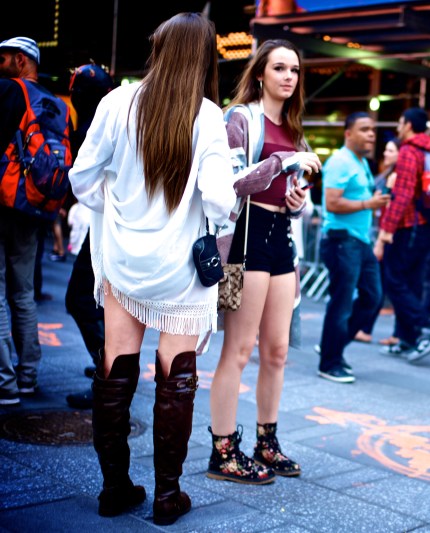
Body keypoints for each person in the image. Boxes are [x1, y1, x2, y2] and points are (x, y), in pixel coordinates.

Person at [68, 13, 237, 524]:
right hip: (180, 268)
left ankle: (113, 489)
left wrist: (115, 205)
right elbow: (219, 198)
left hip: (123, 259)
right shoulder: (206, 115)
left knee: (115, 370)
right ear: (204, 57)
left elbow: (81, 178)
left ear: (158, 48)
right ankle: (167, 496)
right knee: (175, 377)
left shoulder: (116, 102)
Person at [207, 39, 320, 485]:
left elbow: (297, 202)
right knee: (238, 351)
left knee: (276, 352)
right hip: (244, 240)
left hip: (280, 240)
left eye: (294, 69)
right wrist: (283, 161)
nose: (289, 76)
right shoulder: (240, 119)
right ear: (260, 73)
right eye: (279, 68)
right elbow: (232, 183)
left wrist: (297, 200)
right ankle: (223, 450)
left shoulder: (294, 126)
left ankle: (265, 443)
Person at [0, 36, 56, 405]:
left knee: (0, 294)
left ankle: (3, 383)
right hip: (35, 204)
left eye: (3, 58)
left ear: (21, 61)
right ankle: (27, 377)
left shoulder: (8, 91)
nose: (0, 64)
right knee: (23, 293)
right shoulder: (55, 104)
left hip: (4, 201)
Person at [316, 112, 390, 383]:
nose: (371, 134)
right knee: (342, 302)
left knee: (373, 297)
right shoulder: (340, 161)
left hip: (360, 240)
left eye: (372, 129)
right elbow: (332, 203)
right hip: (341, 240)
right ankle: (329, 362)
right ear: (348, 133)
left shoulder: (361, 162)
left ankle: (332, 346)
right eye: (364, 129)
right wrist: (367, 205)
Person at [374, 107, 430, 362]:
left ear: (408, 125)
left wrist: (386, 231)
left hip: (408, 227)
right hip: (425, 226)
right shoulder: (429, 150)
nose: (398, 126)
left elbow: (402, 195)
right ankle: (408, 339)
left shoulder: (408, 152)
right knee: (412, 282)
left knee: (394, 281)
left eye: (401, 122)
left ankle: (425, 328)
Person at [62, 63, 115, 410]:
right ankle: (110, 367)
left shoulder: (92, 131)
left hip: (105, 228)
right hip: (112, 227)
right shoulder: (113, 121)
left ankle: (108, 375)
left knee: (80, 299)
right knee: (99, 303)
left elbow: (85, 185)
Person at [355, 137, 400, 346]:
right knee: (381, 285)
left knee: (387, 284)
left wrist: (382, 240)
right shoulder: (387, 174)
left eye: (391, 150)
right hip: (380, 232)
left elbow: (389, 207)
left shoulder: (396, 177)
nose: (386, 154)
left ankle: (398, 332)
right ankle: (367, 328)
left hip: (388, 235)